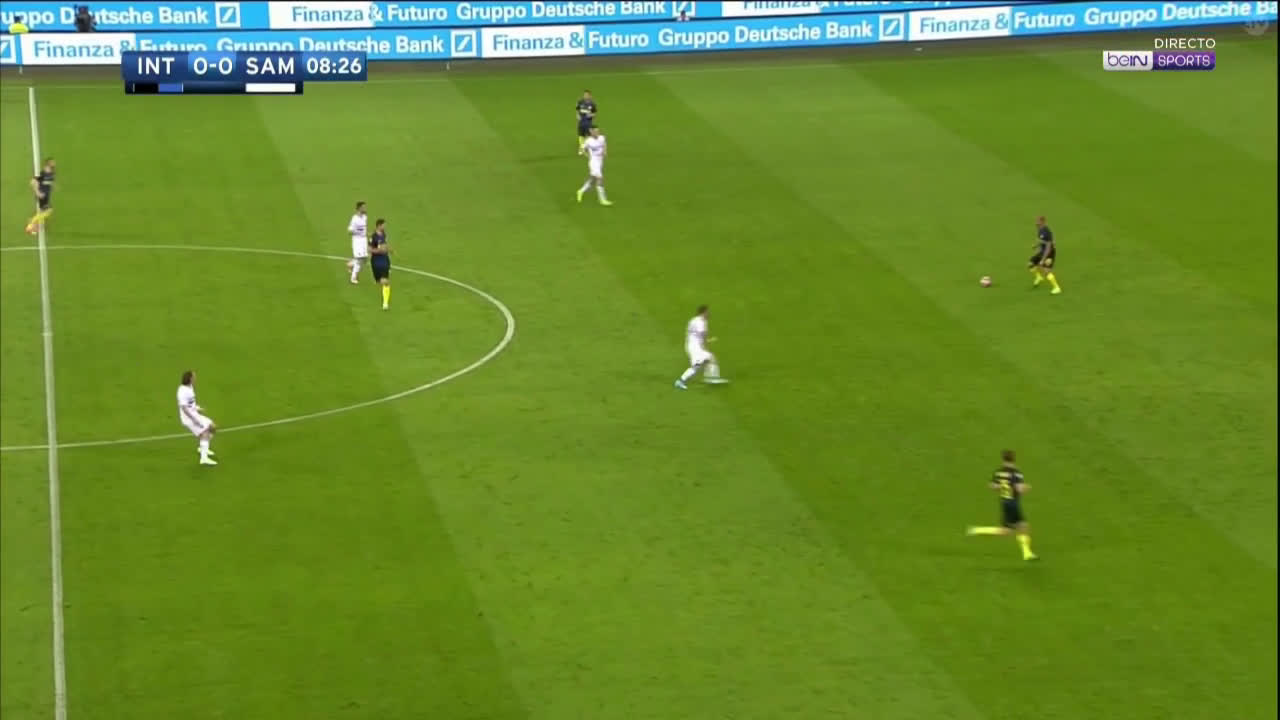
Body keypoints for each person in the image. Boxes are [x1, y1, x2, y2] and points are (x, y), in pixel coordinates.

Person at [966, 450, 1037, 561]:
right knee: (1021, 527)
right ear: (1014, 459)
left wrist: (1001, 487)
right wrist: (1027, 488)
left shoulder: (999, 472)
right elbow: (1019, 489)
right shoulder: (1016, 473)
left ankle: (976, 530)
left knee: (1009, 530)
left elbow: (992, 485)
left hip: (1004, 502)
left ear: (1003, 459)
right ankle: (1027, 554)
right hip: (1013, 503)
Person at [675, 305, 728, 389]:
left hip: (691, 345)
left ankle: (712, 378)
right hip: (695, 347)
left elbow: (695, 334)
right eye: (707, 312)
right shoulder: (701, 322)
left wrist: (706, 341)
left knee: (708, 359)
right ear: (703, 312)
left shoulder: (694, 320)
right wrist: (707, 344)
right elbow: (703, 336)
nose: (709, 313)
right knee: (699, 365)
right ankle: (680, 381)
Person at [177, 370, 217, 466]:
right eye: (194, 377)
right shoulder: (182, 392)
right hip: (189, 418)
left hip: (195, 414)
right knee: (205, 433)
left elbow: (191, 403)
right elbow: (184, 408)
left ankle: (203, 448)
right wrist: (194, 420)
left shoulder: (190, 387)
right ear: (190, 379)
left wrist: (198, 408)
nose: (196, 378)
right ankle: (204, 459)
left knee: (213, 427)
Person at [576, 127, 612, 206]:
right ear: (591, 132)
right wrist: (587, 155)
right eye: (595, 132)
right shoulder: (588, 141)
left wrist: (605, 151)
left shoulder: (602, 137)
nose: (597, 133)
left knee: (592, 180)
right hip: (593, 162)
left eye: (598, 131)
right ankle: (602, 199)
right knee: (599, 178)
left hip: (600, 161)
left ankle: (580, 191)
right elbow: (581, 149)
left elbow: (604, 143)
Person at [1029, 215, 1062, 295]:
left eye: (1038, 221)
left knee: (1046, 271)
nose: (1036, 223)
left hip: (1049, 253)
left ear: (1043, 222)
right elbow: (1040, 240)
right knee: (1030, 264)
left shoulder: (1046, 232)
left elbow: (1048, 247)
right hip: (1043, 251)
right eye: (1036, 221)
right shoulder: (1040, 229)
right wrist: (1036, 245)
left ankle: (1057, 288)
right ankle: (1039, 277)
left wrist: (1043, 260)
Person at [25, 157, 55, 235]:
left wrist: (52, 187)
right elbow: (32, 182)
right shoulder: (43, 173)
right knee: (48, 210)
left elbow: (48, 183)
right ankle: (31, 223)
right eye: (52, 162)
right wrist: (37, 192)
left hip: (46, 195)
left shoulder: (52, 172)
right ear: (47, 164)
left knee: (43, 211)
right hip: (42, 195)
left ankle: (35, 227)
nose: (54, 164)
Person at [369, 218, 392, 310]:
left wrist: (389, 249)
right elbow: (369, 249)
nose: (385, 226)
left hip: (384, 260)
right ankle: (380, 280)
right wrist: (379, 250)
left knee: (385, 282)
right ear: (379, 225)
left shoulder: (384, 234)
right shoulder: (373, 237)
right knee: (380, 281)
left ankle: (385, 303)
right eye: (383, 225)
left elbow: (385, 245)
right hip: (376, 261)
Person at [346, 201, 368, 284]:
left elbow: (364, 229)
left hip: (364, 240)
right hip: (357, 241)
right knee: (359, 259)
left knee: (365, 259)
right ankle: (353, 278)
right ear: (359, 208)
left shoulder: (365, 217)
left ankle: (350, 264)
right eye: (364, 207)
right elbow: (349, 230)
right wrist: (356, 231)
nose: (365, 208)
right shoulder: (354, 219)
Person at [575, 90, 597, 155]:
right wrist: (577, 115)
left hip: (588, 122)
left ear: (590, 96)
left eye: (587, 95)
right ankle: (581, 148)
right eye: (585, 95)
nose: (586, 96)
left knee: (588, 135)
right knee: (581, 135)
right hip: (581, 121)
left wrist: (591, 115)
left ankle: (586, 147)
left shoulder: (592, 104)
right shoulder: (580, 102)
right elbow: (577, 109)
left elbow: (594, 113)